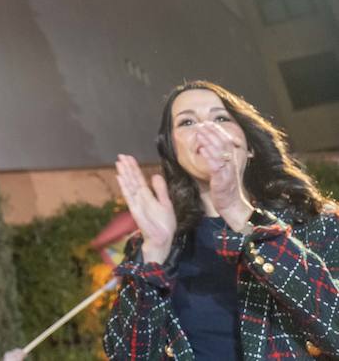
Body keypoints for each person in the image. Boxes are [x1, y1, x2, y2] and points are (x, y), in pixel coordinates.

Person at [105, 80, 339, 360]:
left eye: (220, 118)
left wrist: (237, 211)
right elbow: (126, 356)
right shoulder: (156, 244)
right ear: (174, 153)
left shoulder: (315, 224)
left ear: (249, 146)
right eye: (187, 122)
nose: (206, 129)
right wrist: (155, 252)